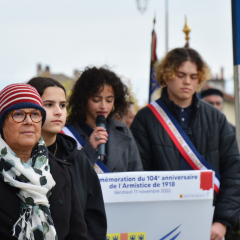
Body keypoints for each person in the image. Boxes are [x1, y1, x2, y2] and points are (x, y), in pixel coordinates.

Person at [130, 48, 240, 240]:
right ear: (166, 75)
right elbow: (138, 174)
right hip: (161, 224)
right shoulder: (145, 118)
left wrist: (222, 221)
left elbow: (234, 172)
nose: (187, 81)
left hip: (210, 225)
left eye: (193, 76)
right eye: (180, 75)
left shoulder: (216, 118)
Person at [0, 83, 88, 239]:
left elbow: (77, 234)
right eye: (19, 114)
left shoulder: (62, 172)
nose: (29, 121)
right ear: (2, 122)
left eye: (35, 114)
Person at [27, 77, 107, 240]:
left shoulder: (79, 160)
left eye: (62, 105)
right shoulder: (13, 158)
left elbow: (94, 219)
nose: (58, 111)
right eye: (49, 105)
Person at [66, 66, 143, 172]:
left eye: (109, 100)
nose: (103, 106)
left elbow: (136, 174)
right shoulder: (68, 134)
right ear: (83, 100)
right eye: (96, 100)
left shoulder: (123, 131)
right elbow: (67, 176)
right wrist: (89, 149)